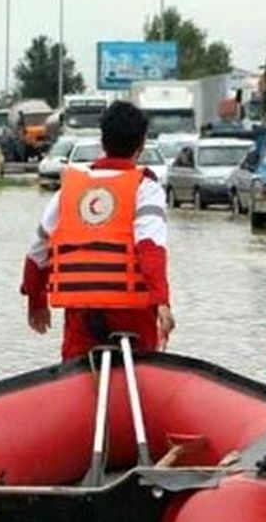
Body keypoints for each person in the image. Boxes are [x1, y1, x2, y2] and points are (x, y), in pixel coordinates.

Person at [21, 101, 175, 360]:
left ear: (102, 141)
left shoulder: (69, 190)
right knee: (142, 373)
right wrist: (162, 300)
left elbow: (38, 250)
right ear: (141, 145)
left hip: (82, 312)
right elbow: (150, 246)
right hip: (132, 313)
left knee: (76, 371)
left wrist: (36, 299)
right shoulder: (146, 188)